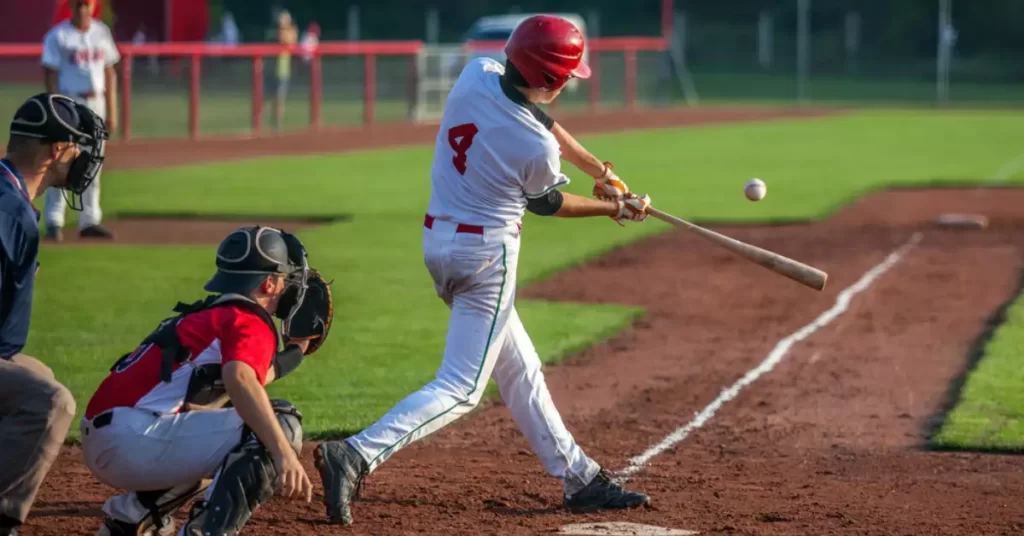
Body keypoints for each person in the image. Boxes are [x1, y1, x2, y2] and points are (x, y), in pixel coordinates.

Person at [314, 15, 652, 526]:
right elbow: (546, 202)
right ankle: (357, 454)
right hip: (486, 260)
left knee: (520, 369)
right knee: (462, 388)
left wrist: (603, 175)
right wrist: (615, 209)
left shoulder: (477, 74)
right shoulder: (533, 149)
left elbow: (538, 118)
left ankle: (578, 477)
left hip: (439, 243)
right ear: (552, 79)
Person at [80, 225, 334, 536]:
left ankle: (130, 519)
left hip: (113, 437)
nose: (290, 285)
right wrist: (283, 453)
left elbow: (248, 378)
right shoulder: (249, 321)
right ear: (268, 284)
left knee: (231, 420)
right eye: (285, 278)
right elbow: (241, 379)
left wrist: (295, 351)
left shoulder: (214, 315)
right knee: (279, 426)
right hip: (133, 441)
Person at [0, 92, 109, 536]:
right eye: (77, 146)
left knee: (37, 374)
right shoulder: (9, 210)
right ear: (55, 150)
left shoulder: (10, 196)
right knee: (51, 402)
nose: (83, 156)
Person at [41, 0, 119, 241]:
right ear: (71, 7)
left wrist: (112, 110)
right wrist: (55, 109)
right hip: (69, 104)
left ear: (92, 6)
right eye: (78, 4)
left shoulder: (101, 32)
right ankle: (54, 221)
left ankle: (89, 221)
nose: (82, 8)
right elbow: (50, 74)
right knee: (60, 161)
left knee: (93, 162)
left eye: (86, 4)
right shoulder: (58, 36)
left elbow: (109, 72)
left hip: (97, 103)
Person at [272, 10, 298, 131]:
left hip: (283, 71)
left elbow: (289, 40)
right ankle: (272, 123)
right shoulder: (277, 33)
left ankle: (278, 124)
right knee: (271, 98)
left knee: (279, 98)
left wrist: (286, 29)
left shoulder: (290, 32)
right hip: (273, 70)